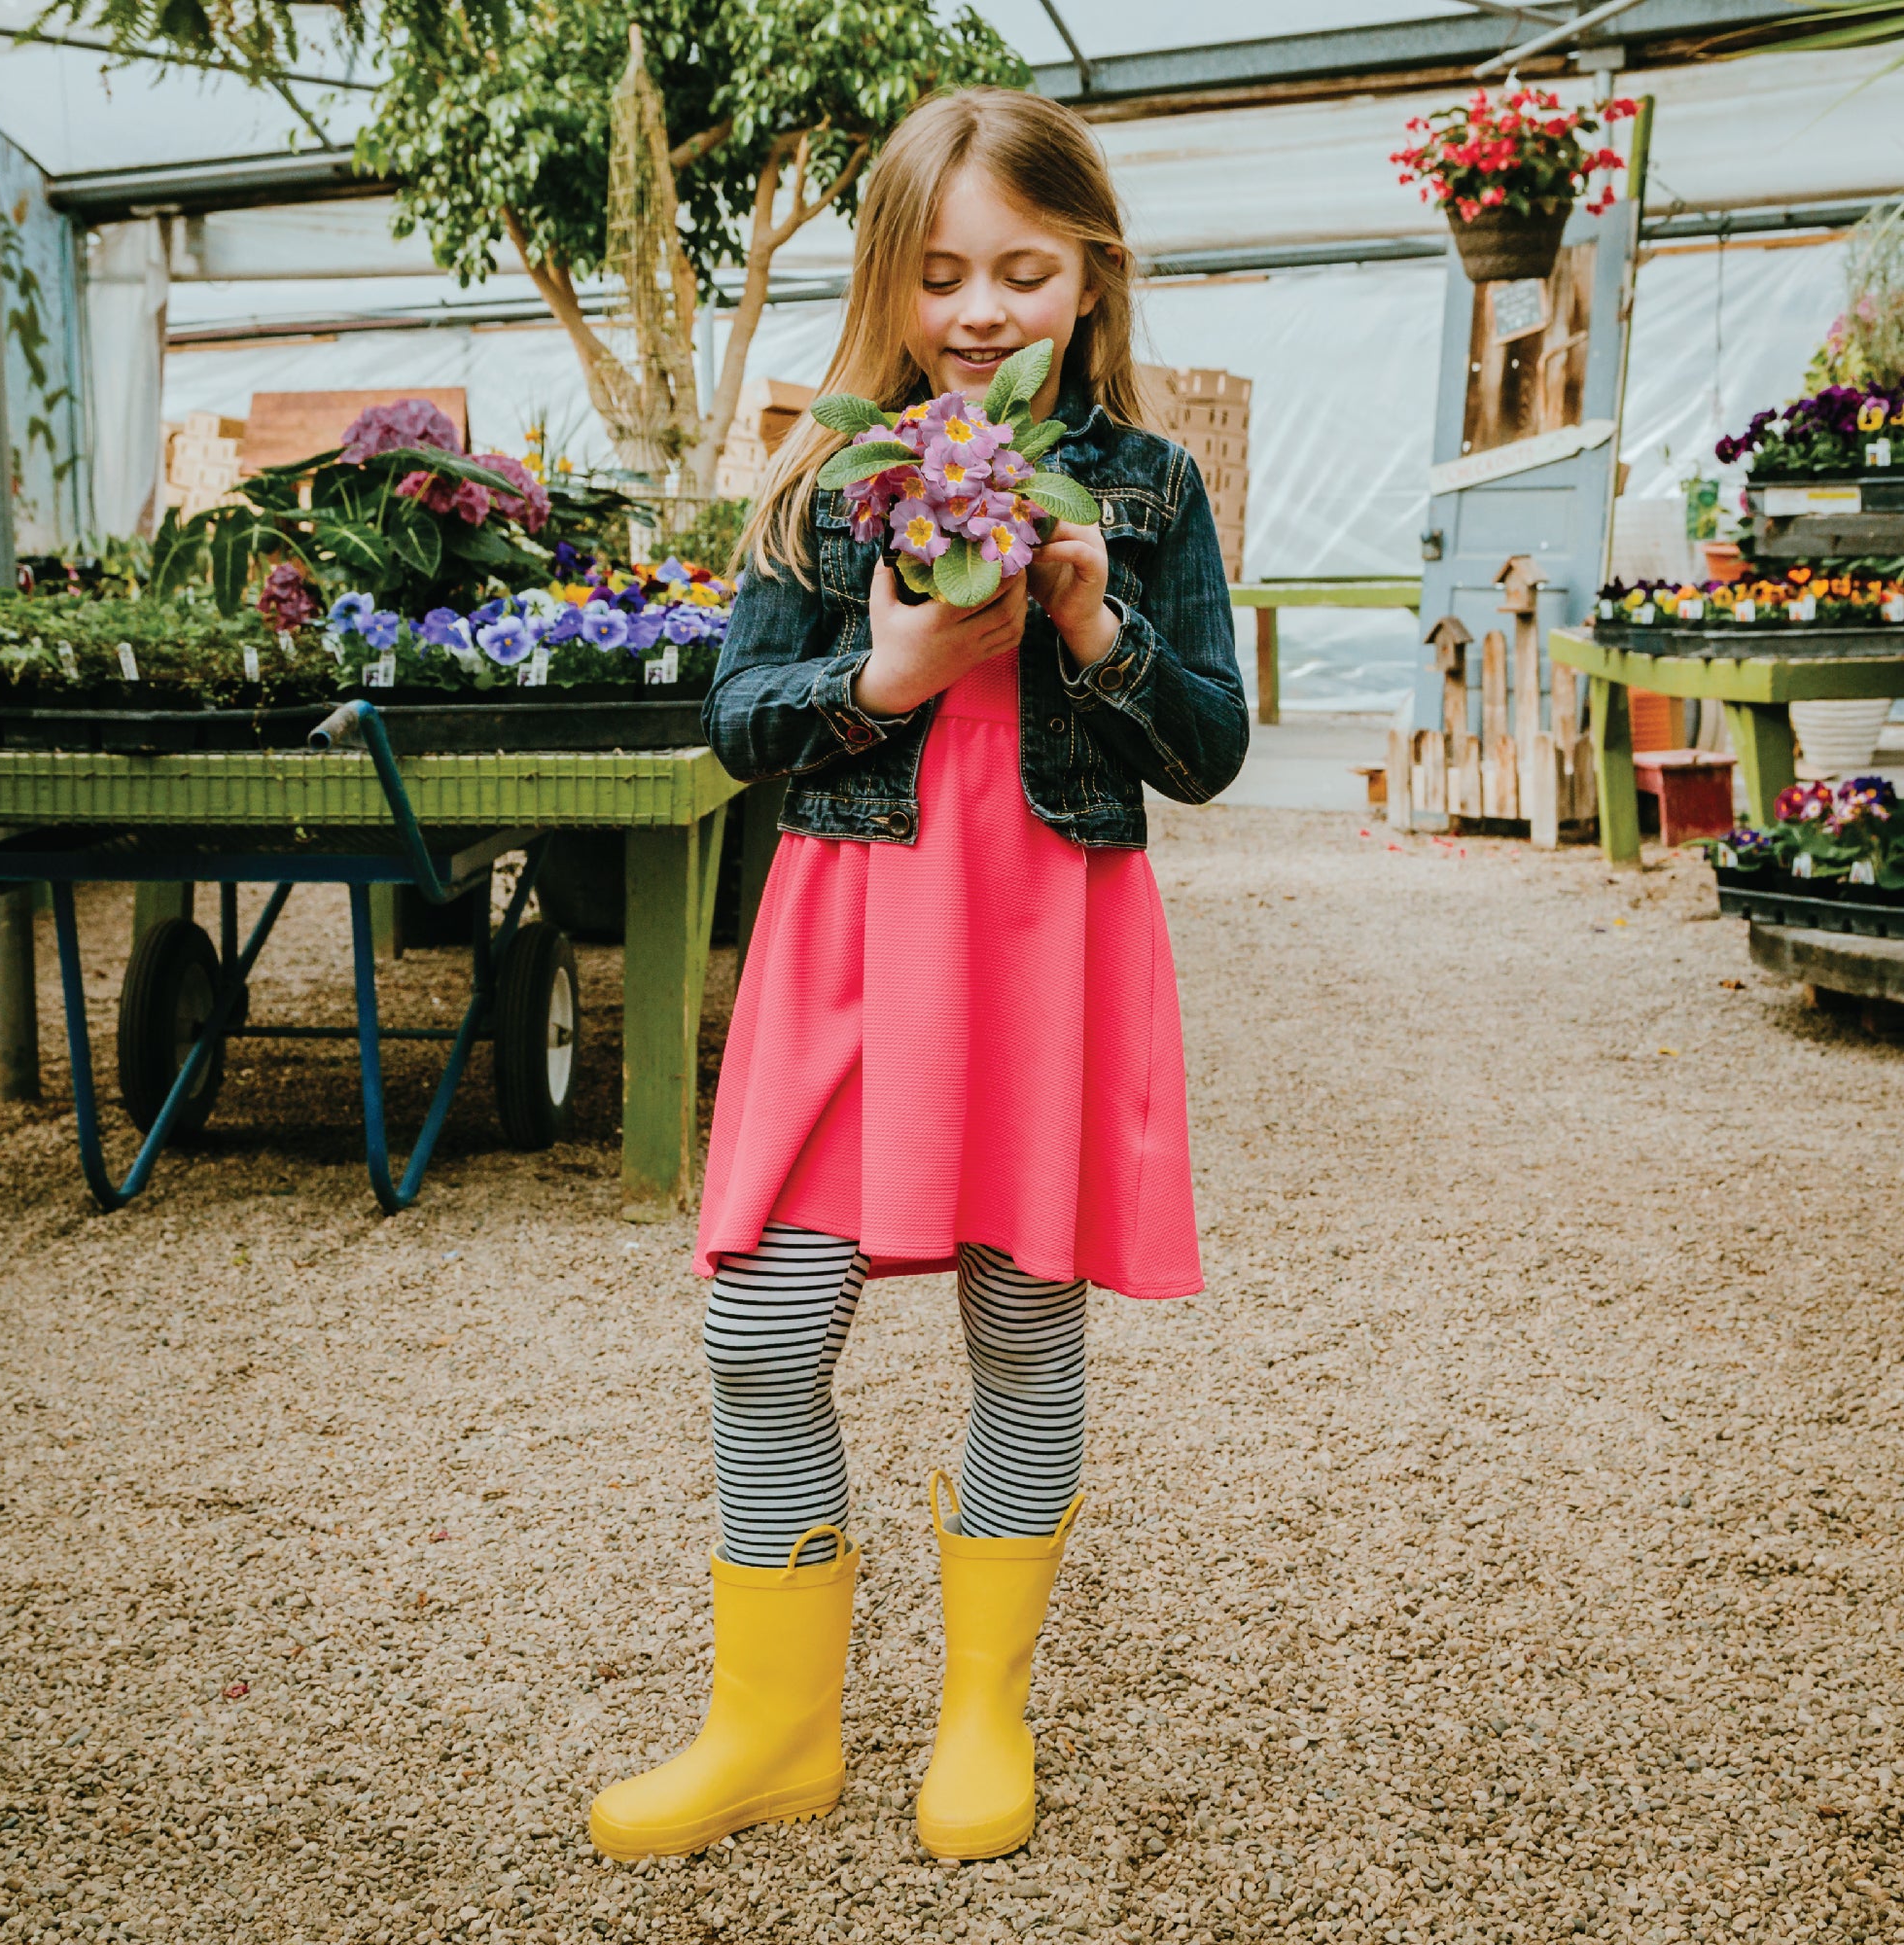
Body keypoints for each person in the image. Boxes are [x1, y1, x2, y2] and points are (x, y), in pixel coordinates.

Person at [587, 85, 1248, 1866]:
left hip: (1045, 935)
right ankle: (775, 1729)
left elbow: (1209, 750)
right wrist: (882, 680)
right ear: (886, 279)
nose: (978, 312)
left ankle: (980, 1713)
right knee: (760, 1327)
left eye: (1022, 272)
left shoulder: (1150, 485)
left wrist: (1096, 625)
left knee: (1024, 1323)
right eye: (939, 273)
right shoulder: (826, 474)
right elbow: (739, 719)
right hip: (855, 932)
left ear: (1091, 278)